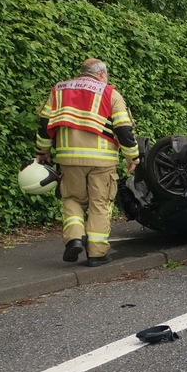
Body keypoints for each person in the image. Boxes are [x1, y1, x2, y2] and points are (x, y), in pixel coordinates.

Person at [35, 58, 140, 266]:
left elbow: (45, 124)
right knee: (99, 204)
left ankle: (74, 238)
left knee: (72, 199)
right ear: (101, 74)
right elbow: (124, 129)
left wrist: (42, 150)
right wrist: (133, 157)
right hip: (102, 161)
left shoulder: (59, 90)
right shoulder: (110, 93)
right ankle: (97, 253)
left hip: (68, 158)